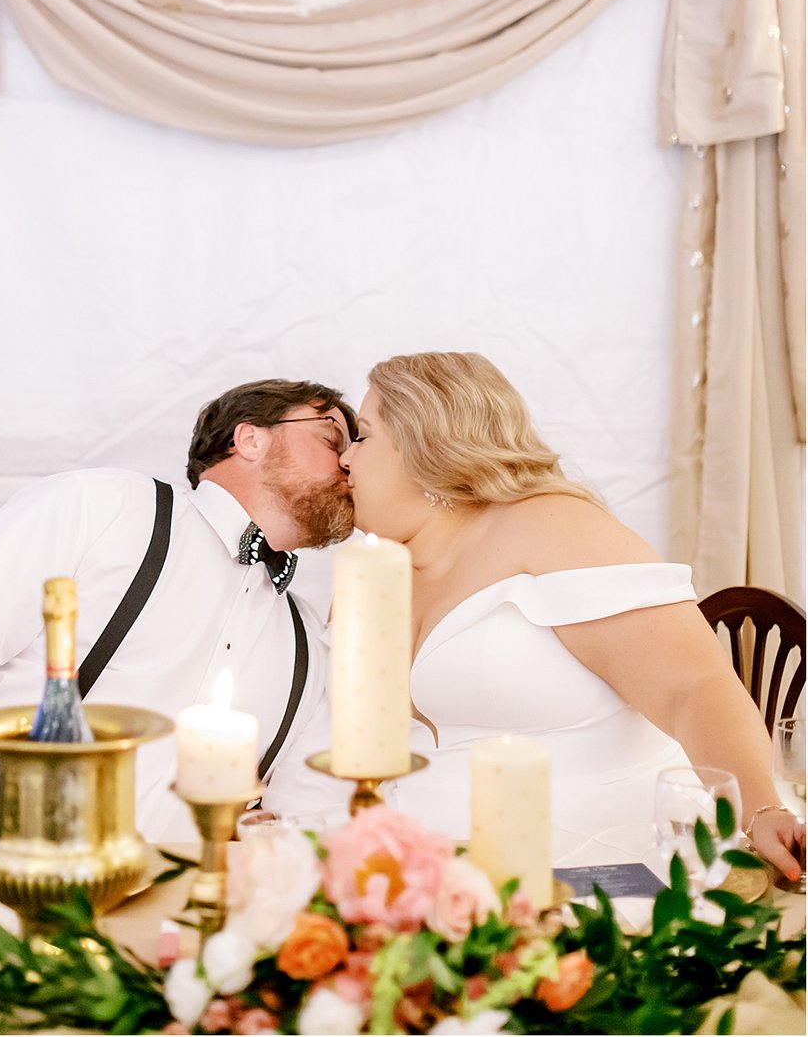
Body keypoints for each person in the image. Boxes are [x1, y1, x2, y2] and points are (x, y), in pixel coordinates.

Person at [335, 350, 803, 881]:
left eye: (363, 436)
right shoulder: (376, 571)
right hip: (432, 871)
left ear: (425, 444)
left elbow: (692, 686)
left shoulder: (551, 525)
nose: (345, 459)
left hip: (601, 869)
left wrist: (760, 808)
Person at [0, 378, 356, 840]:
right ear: (249, 439)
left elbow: (288, 817)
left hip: (153, 931)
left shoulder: (310, 639)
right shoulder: (104, 509)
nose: (349, 462)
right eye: (333, 439)